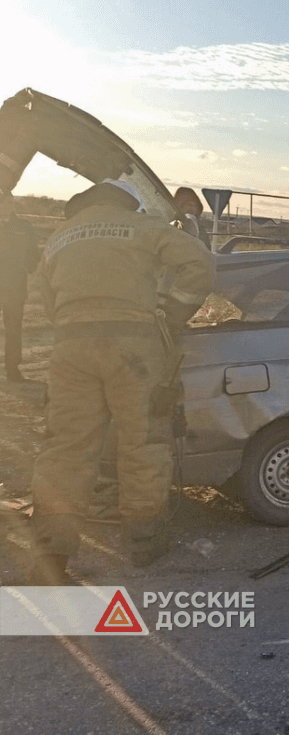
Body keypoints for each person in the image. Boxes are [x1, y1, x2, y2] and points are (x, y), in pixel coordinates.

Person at [28, 179, 214, 584]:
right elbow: (198, 262)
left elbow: (45, 297)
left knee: (66, 445)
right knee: (141, 439)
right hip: (133, 349)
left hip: (72, 349)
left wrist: (72, 324)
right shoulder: (142, 227)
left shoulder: (61, 236)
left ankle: (52, 550)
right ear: (128, 203)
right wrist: (172, 311)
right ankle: (145, 542)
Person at [0, 210, 41, 381]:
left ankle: (12, 369)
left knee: (13, 328)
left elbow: (33, 252)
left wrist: (27, 266)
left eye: (9, 201)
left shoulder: (24, 227)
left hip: (15, 285)